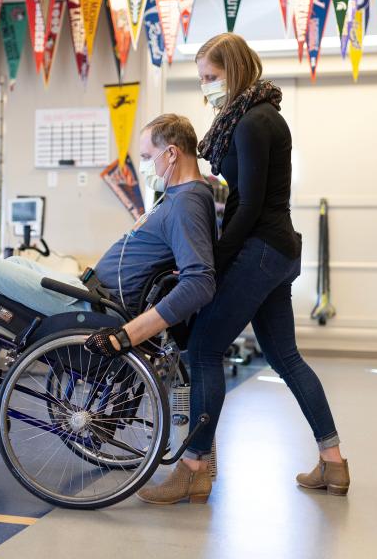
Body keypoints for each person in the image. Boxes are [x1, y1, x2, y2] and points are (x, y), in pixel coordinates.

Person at [0, 114, 217, 426]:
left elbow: (199, 282)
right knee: (12, 264)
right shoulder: (180, 197)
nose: (146, 165)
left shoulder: (186, 202)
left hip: (96, 306)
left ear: (171, 153)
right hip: (90, 290)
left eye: (148, 156)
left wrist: (128, 335)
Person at [137, 33, 348, 505]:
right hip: (277, 250)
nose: (206, 86)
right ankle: (333, 462)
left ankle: (193, 468)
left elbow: (248, 205)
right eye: (202, 79)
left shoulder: (254, 122)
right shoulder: (258, 116)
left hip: (260, 248)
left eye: (211, 77)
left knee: (204, 349)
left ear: (233, 69)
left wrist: (215, 258)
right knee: (286, 358)